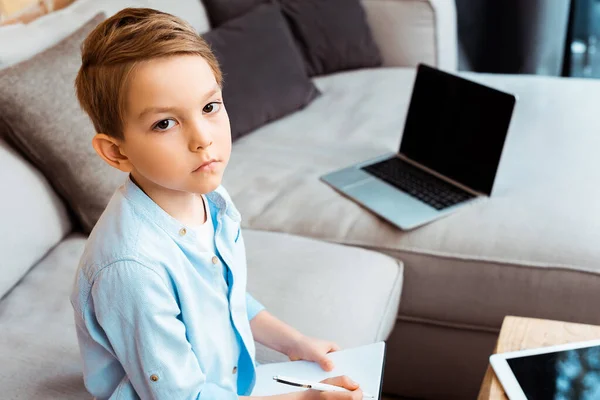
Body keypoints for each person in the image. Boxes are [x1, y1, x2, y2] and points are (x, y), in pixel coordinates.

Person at [69, 7, 363, 400]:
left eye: (209, 108)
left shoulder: (209, 196)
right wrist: (306, 397)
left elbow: (225, 295)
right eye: (165, 123)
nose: (202, 138)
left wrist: (293, 343)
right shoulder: (132, 269)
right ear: (117, 153)